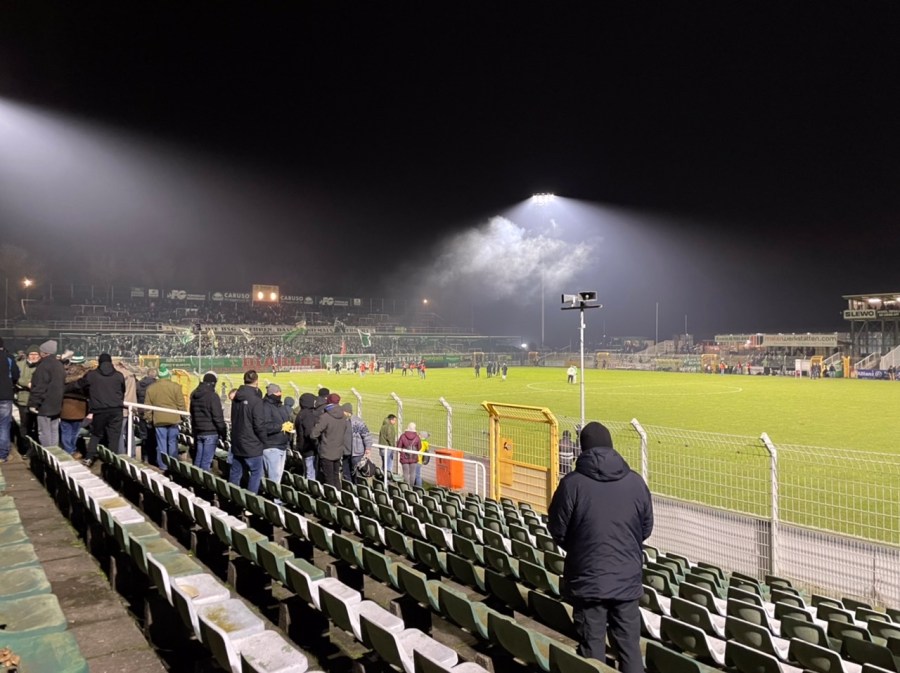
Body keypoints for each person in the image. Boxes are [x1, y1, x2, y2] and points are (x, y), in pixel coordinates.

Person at [547, 421, 653, 672]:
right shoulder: (636, 483)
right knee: (629, 648)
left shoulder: (571, 484)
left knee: (592, 647)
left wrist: (581, 548)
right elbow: (645, 529)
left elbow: (557, 529)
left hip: (587, 580)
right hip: (625, 580)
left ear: (582, 449)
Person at [69, 353, 126, 467]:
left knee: (96, 435)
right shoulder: (119, 376)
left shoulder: (92, 375)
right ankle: (112, 461)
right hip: (116, 410)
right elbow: (122, 390)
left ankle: (89, 458)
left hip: (99, 410)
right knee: (114, 437)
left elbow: (78, 385)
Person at [229, 370, 267, 493]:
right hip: (252, 444)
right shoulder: (256, 400)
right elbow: (259, 424)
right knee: (256, 473)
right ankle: (251, 500)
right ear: (256, 381)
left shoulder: (236, 398)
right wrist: (264, 440)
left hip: (237, 442)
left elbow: (234, 419)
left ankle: (232, 496)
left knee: (235, 472)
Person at [144, 366, 186, 470]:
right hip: (173, 419)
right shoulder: (176, 387)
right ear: (168, 375)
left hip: (159, 420)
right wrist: (184, 416)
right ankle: (173, 464)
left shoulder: (151, 388)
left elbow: (147, 407)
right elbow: (181, 404)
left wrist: (149, 419)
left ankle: (163, 465)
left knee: (161, 443)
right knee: (172, 442)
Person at [28, 340, 65, 450]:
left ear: (44, 353)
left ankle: (48, 453)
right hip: (56, 403)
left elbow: (40, 386)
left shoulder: (43, 366)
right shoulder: (59, 365)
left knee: (44, 432)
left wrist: (34, 403)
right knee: (54, 430)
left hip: (45, 404)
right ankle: (55, 452)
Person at [189, 371, 227, 471]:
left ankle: (196, 478)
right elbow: (218, 417)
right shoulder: (213, 396)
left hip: (198, 431)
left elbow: (192, 413)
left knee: (198, 459)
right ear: (213, 383)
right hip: (210, 432)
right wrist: (223, 432)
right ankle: (203, 480)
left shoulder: (194, 395)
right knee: (206, 462)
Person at [311, 392, 347, 488]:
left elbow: (314, 434)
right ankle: (338, 493)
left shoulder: (325, 417)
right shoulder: (344, 417)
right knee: (335, 476)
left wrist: (318, 443)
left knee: (328, 478)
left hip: (326, 452)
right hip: (338, 451)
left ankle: (331, 495)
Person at [261, 383, 291, 487]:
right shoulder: (265, 406)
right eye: (277, 392)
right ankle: (273, 496)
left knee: (278, 476)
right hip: (271, 446)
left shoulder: (280, 406)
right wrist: (281, 427)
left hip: (282, 445)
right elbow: (265, 426)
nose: (280, 394)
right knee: (274, 478)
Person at [14, 345, 40, 445]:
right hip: (23, 399)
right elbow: (15, 377)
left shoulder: (41, 365)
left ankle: (36, 446)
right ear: (27, 355)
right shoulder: (19, 364)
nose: (34, 356)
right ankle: (24, 446)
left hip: (37, 400)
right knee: (25, 424)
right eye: (31, 354)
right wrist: (26, 383)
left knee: (37, 425)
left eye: (36, 354)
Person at [0, 337, 21, 463]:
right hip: (5, 396)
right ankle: (2, 455)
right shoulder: (9, 358)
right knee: (3, 425)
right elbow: (16, 375)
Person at [342, 402, 372, 483]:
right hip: (345, 453)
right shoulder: (341, 421)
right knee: (346, 475)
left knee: (357, 475)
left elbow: (367, 435)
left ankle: (357, 488)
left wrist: (368, 448)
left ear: (347, 412)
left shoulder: (358, 422)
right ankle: (348, 488)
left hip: (357, 454)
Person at [295, 392, 319, 479]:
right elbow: (309, 432)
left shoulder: (300, 413)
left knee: (307, 470)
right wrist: (316, 444)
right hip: (309, 447)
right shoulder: (308, 415)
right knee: (310, 472)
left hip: (303, 446)